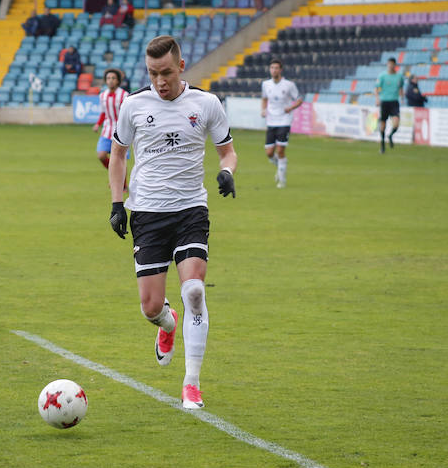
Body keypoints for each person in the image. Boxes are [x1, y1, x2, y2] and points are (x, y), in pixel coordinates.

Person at [108, 35, 237, 410]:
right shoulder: (133, 105)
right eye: (152, 73)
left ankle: (191, 383)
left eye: (166, 72)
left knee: (195, 290)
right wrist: (118, 204)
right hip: (147, 213)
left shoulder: (206, 103)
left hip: (190, 210)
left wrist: (227, 172)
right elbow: (118, 156)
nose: (160, 81)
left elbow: (227, 152)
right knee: (150, 308)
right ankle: (168, 324)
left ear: (181, 67)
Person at [260, 58, 302, 188]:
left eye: (276, 68)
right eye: (272, 68)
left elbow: (299, 99)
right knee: (269, 153)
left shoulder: (289, 85)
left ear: (281, 70)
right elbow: (264, 98)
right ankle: (281, 166)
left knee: (280, 150)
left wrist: (290, 108)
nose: (274, 70)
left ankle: (282, 181)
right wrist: (263, 109)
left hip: (284, 120)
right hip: (271, 120)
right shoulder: (266, 84)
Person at [92, 68, 127, 170]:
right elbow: (103, 112)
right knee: (101, 156)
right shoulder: (102, 96)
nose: (110, 80)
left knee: (119, 159)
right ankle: (113, 174)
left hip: (121, 131)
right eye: (108, 78)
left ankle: (122, 185)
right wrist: (97, 124)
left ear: (118, 81)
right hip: (107, 130)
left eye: (113, 78)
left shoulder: (124, 95)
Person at [376, 57, 404, 153]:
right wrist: (377, 99)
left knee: (396, 122)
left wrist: (402, 97)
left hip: (394, 102)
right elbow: (377, 88)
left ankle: (391, 135)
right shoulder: (382, 76)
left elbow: (401, 87)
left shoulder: (399, 76)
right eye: (389, 64)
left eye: (392, 64)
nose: (390, 65)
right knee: (383, 124)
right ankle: (382, 145)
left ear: (395, 65)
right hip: (384, 102)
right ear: (387, 64)